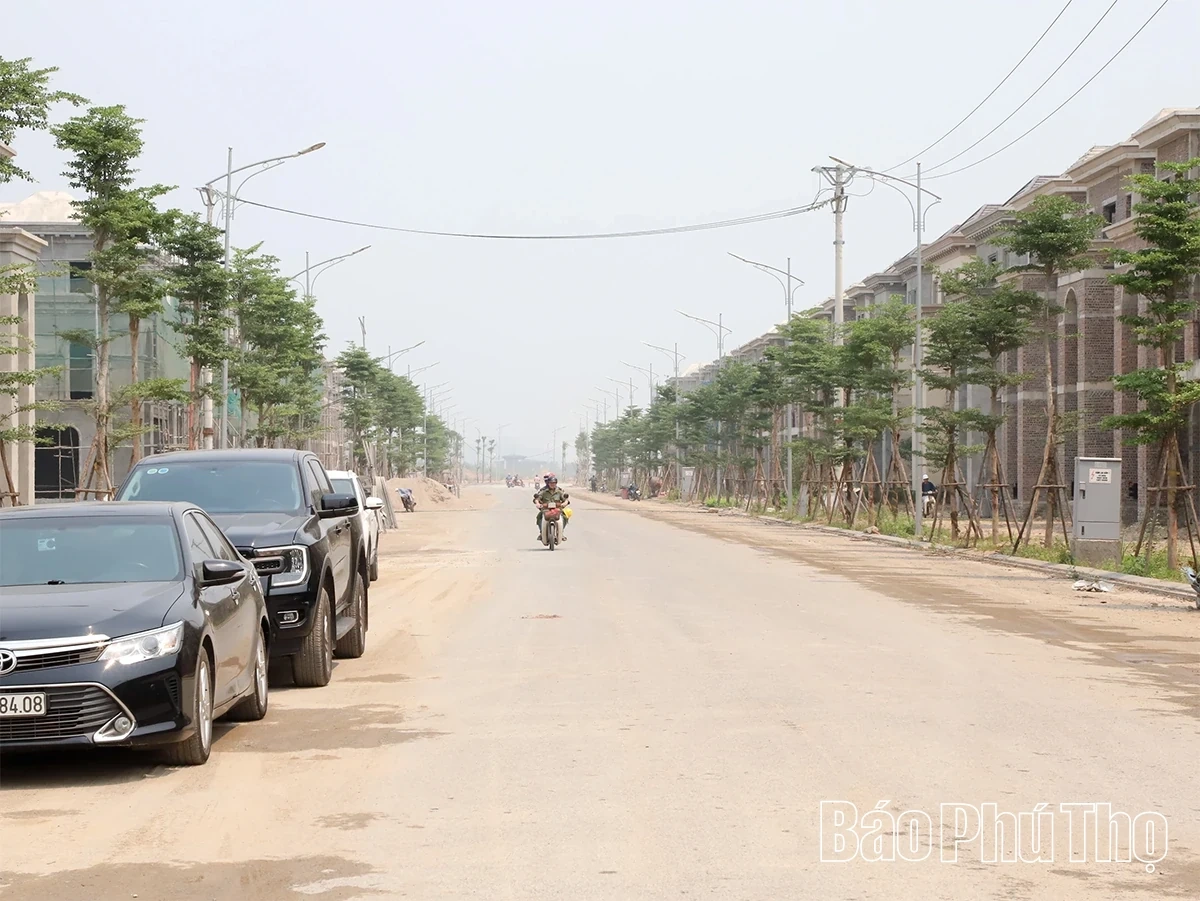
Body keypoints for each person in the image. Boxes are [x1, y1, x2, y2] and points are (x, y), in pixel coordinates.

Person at [534, 473, 570, 542]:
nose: (552, 484)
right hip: (546, 510)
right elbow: (537, 498)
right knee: (539, 517)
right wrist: (537, 503)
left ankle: (561, 532)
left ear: (556, 483)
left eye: (554, 483)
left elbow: (565, 499)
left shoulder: (559, 491)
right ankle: (542, 532)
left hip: (557, 510)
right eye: (550, 483)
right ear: (548, 483)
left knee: (565, 517)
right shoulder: (543, 491)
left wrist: (565, 503)